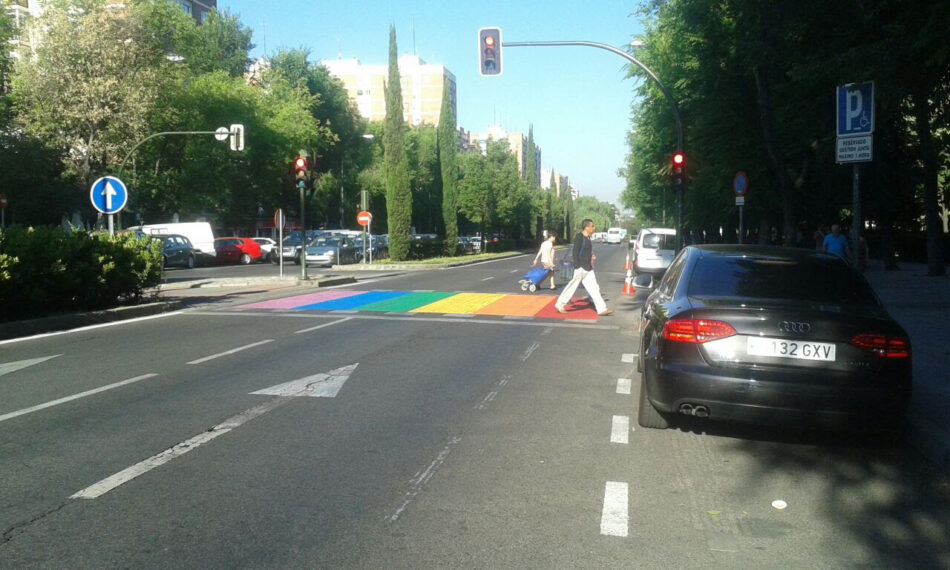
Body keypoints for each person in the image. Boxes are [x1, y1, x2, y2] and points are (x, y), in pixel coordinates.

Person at [554, 219, 612, 316]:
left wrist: (591, 256)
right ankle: (559, 304)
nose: (594, 228)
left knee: (594, 288)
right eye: (592, 226)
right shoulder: (579, 237)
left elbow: (586, 251)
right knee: (571, 287)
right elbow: (575, 252)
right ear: (587, 227)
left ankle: (602, 309)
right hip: (580, 267)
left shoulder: (588, 238)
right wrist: (577, 266)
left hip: (588, 268)